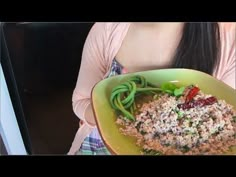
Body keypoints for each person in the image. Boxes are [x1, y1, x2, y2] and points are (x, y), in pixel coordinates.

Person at [68, 22, 235, 155]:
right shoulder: (106, 29)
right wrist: (117, 113)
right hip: (99, 146)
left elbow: (226, 132)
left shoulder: (229, 40)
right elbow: (80, 102)